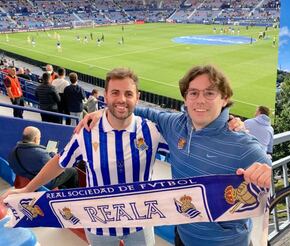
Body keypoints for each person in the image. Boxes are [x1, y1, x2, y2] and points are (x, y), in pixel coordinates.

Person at [78, 64, 271, 246]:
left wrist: (266, 173)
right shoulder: (175, 124)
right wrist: (104, 112)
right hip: (183, 235)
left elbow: (274, 181)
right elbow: (142, 110)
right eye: (193, 93)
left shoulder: (242, 142)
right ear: (185, 99)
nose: (200, 100)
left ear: (225, 98)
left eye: (210, 93)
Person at [1, 68, 168, 246]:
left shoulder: (152, 131)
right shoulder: (87, 132)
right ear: (106, 95)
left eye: (128, 93)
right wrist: (27, 189)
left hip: (140, 222)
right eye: (115, 93)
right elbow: (60, 161)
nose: (121, 99)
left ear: (138, 97)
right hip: (98, 223)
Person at [8, 126, 78, 189]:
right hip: (40, 183)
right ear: (35, 139)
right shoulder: (41, 154)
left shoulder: (14, 150)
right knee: (72, 171)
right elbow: (55, 168)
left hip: (21, 179)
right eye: (39, 138)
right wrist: (53, 154)